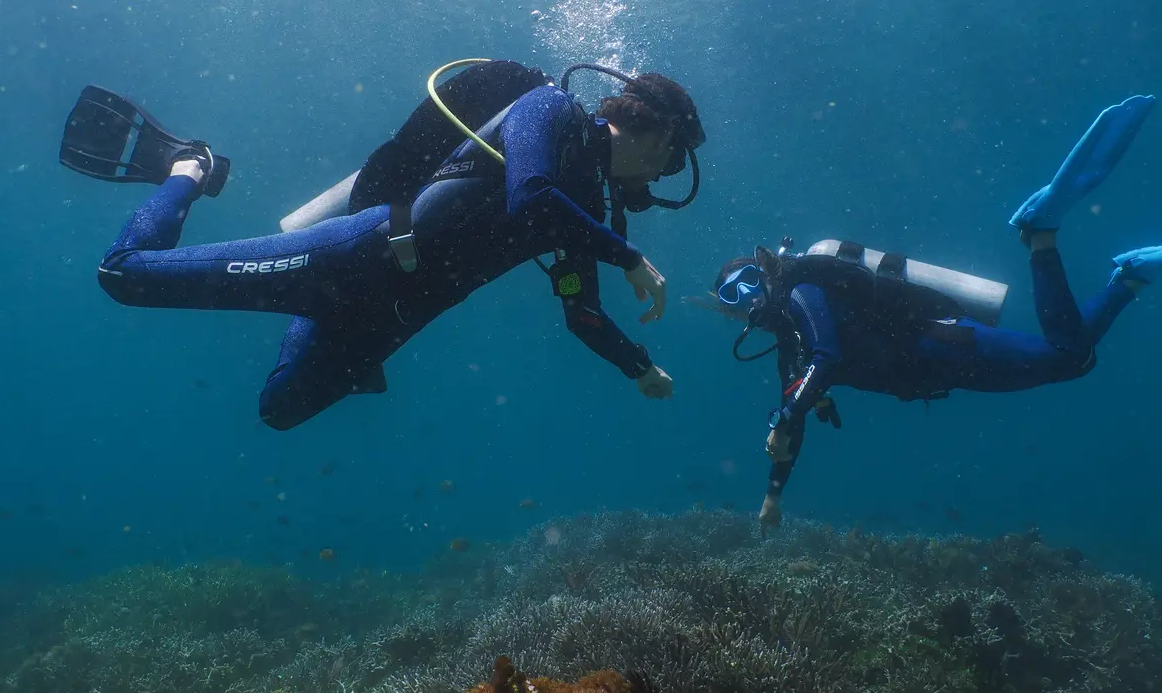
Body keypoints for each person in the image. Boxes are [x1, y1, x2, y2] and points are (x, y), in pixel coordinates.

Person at [704, 95, 1162, 532]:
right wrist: (774, 497)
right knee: (1074, 360)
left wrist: (787, 411)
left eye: (748, 282)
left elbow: (824, 362)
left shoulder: (803, 294)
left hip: (946, 347)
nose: (747, 299)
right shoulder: (789, 342)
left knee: (1068, 358)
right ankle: (1132, 276)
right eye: (733, 297)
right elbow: (795, 414)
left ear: (769, 272)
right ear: (729, 315)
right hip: (944, 369)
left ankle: (1044, 237)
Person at [60, 59, 706, 429]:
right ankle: (188, 169)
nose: (661, 179)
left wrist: (639, 366)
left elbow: (580, 311)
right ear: (654, 131)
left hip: (391, 316)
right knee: (123, 276)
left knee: (279, 410)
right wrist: (629, 258)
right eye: (671, 161)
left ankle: (303, 297)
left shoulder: (587, 207)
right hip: (362, 254)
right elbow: (530, 193)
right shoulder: (550, 109)